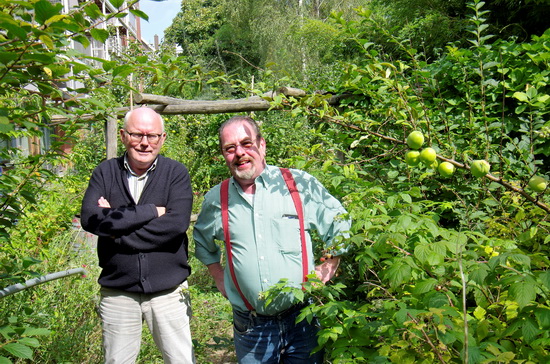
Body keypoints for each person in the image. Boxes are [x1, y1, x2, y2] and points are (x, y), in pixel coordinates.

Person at [193, 115, 351, 363]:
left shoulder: (297, 184)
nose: (240, 153)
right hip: (251, 325)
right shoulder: (217, 198)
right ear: (223, 154)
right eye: (230, 148)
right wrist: (216, 273)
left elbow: (338, 219)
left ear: (262, 145)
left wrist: (332, 262)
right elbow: (202, 240)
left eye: (247, 143)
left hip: (302, 319)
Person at [80, 107, 195, 364]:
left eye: (152, 136)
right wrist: (152, 211)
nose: (145, 143)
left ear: (162, 139)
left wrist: (115, 229)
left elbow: (175, 225)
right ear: (123, 136)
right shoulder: (105, 172)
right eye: (137, 135)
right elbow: (90, 218)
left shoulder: (176, 173)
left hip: (169, 292)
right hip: (118, 291)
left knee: (180, 360)